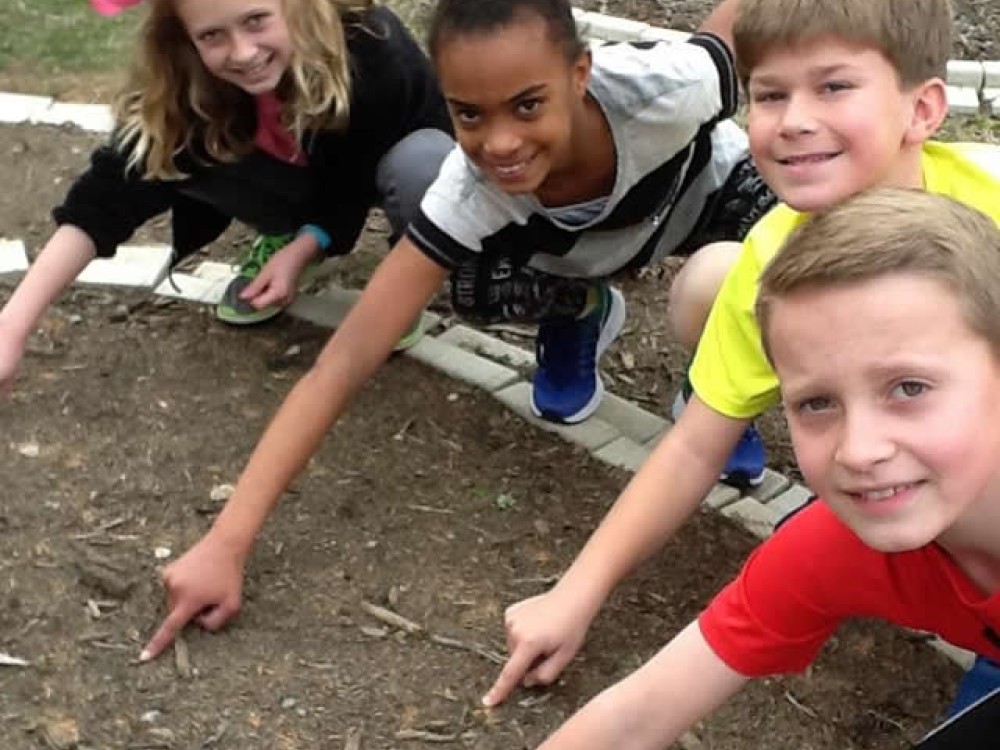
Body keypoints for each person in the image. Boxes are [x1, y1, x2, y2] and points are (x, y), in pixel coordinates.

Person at [139, 0, 776, 660]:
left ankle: (719, 376)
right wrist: (227, 540)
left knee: (789, 246)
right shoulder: (470, 189)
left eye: (528, 105)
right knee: (465, 285)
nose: (498, 141)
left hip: (701, 208)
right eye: (469, 114)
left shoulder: (665, 87)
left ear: (580, 73)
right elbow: (345, 360)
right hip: (578, 255)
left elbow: (731, 31)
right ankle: (576, 312)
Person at [483, 0, 1000, 709]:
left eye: (834, 87)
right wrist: (574, 593)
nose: (793, 119)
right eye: (769, 94)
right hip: (946, 520)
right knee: (710, 278)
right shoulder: (769, 260)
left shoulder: (990, 198)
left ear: (923, 109)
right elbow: (694, 447)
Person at [532, 188, 1000, 749]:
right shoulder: (841, 540)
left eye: (909, 388)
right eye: (817, 403)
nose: (858, 450)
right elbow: (634, 720)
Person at [0, 0, 453, 399]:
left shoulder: (372, 45)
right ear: (182, 38)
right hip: (303, 178)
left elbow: (369, 167)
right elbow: (104, 199)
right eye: (212, 36)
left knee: (423, 164)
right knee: (165, 146)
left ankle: (409, 274)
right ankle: (283, 233)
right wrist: (12, 326)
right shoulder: (188, 82)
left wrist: (313, 241)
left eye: (256, 20)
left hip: (394, 160)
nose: (242, 52)